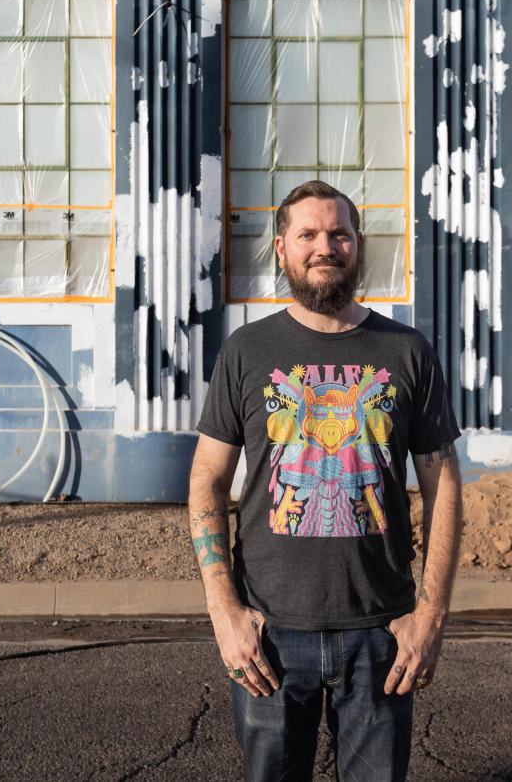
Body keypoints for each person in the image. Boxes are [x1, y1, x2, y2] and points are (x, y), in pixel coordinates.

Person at [188, 179, 463, 781]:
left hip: (381, 636)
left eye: (338, 233)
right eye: (308, 234)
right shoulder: (247, 352)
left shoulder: (407, 353)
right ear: (282, 247)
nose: (325, 246)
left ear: (358, 244)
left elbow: (444, 488)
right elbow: (208, 479)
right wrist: (222, 610)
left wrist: (432, 614)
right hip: (268, 634)